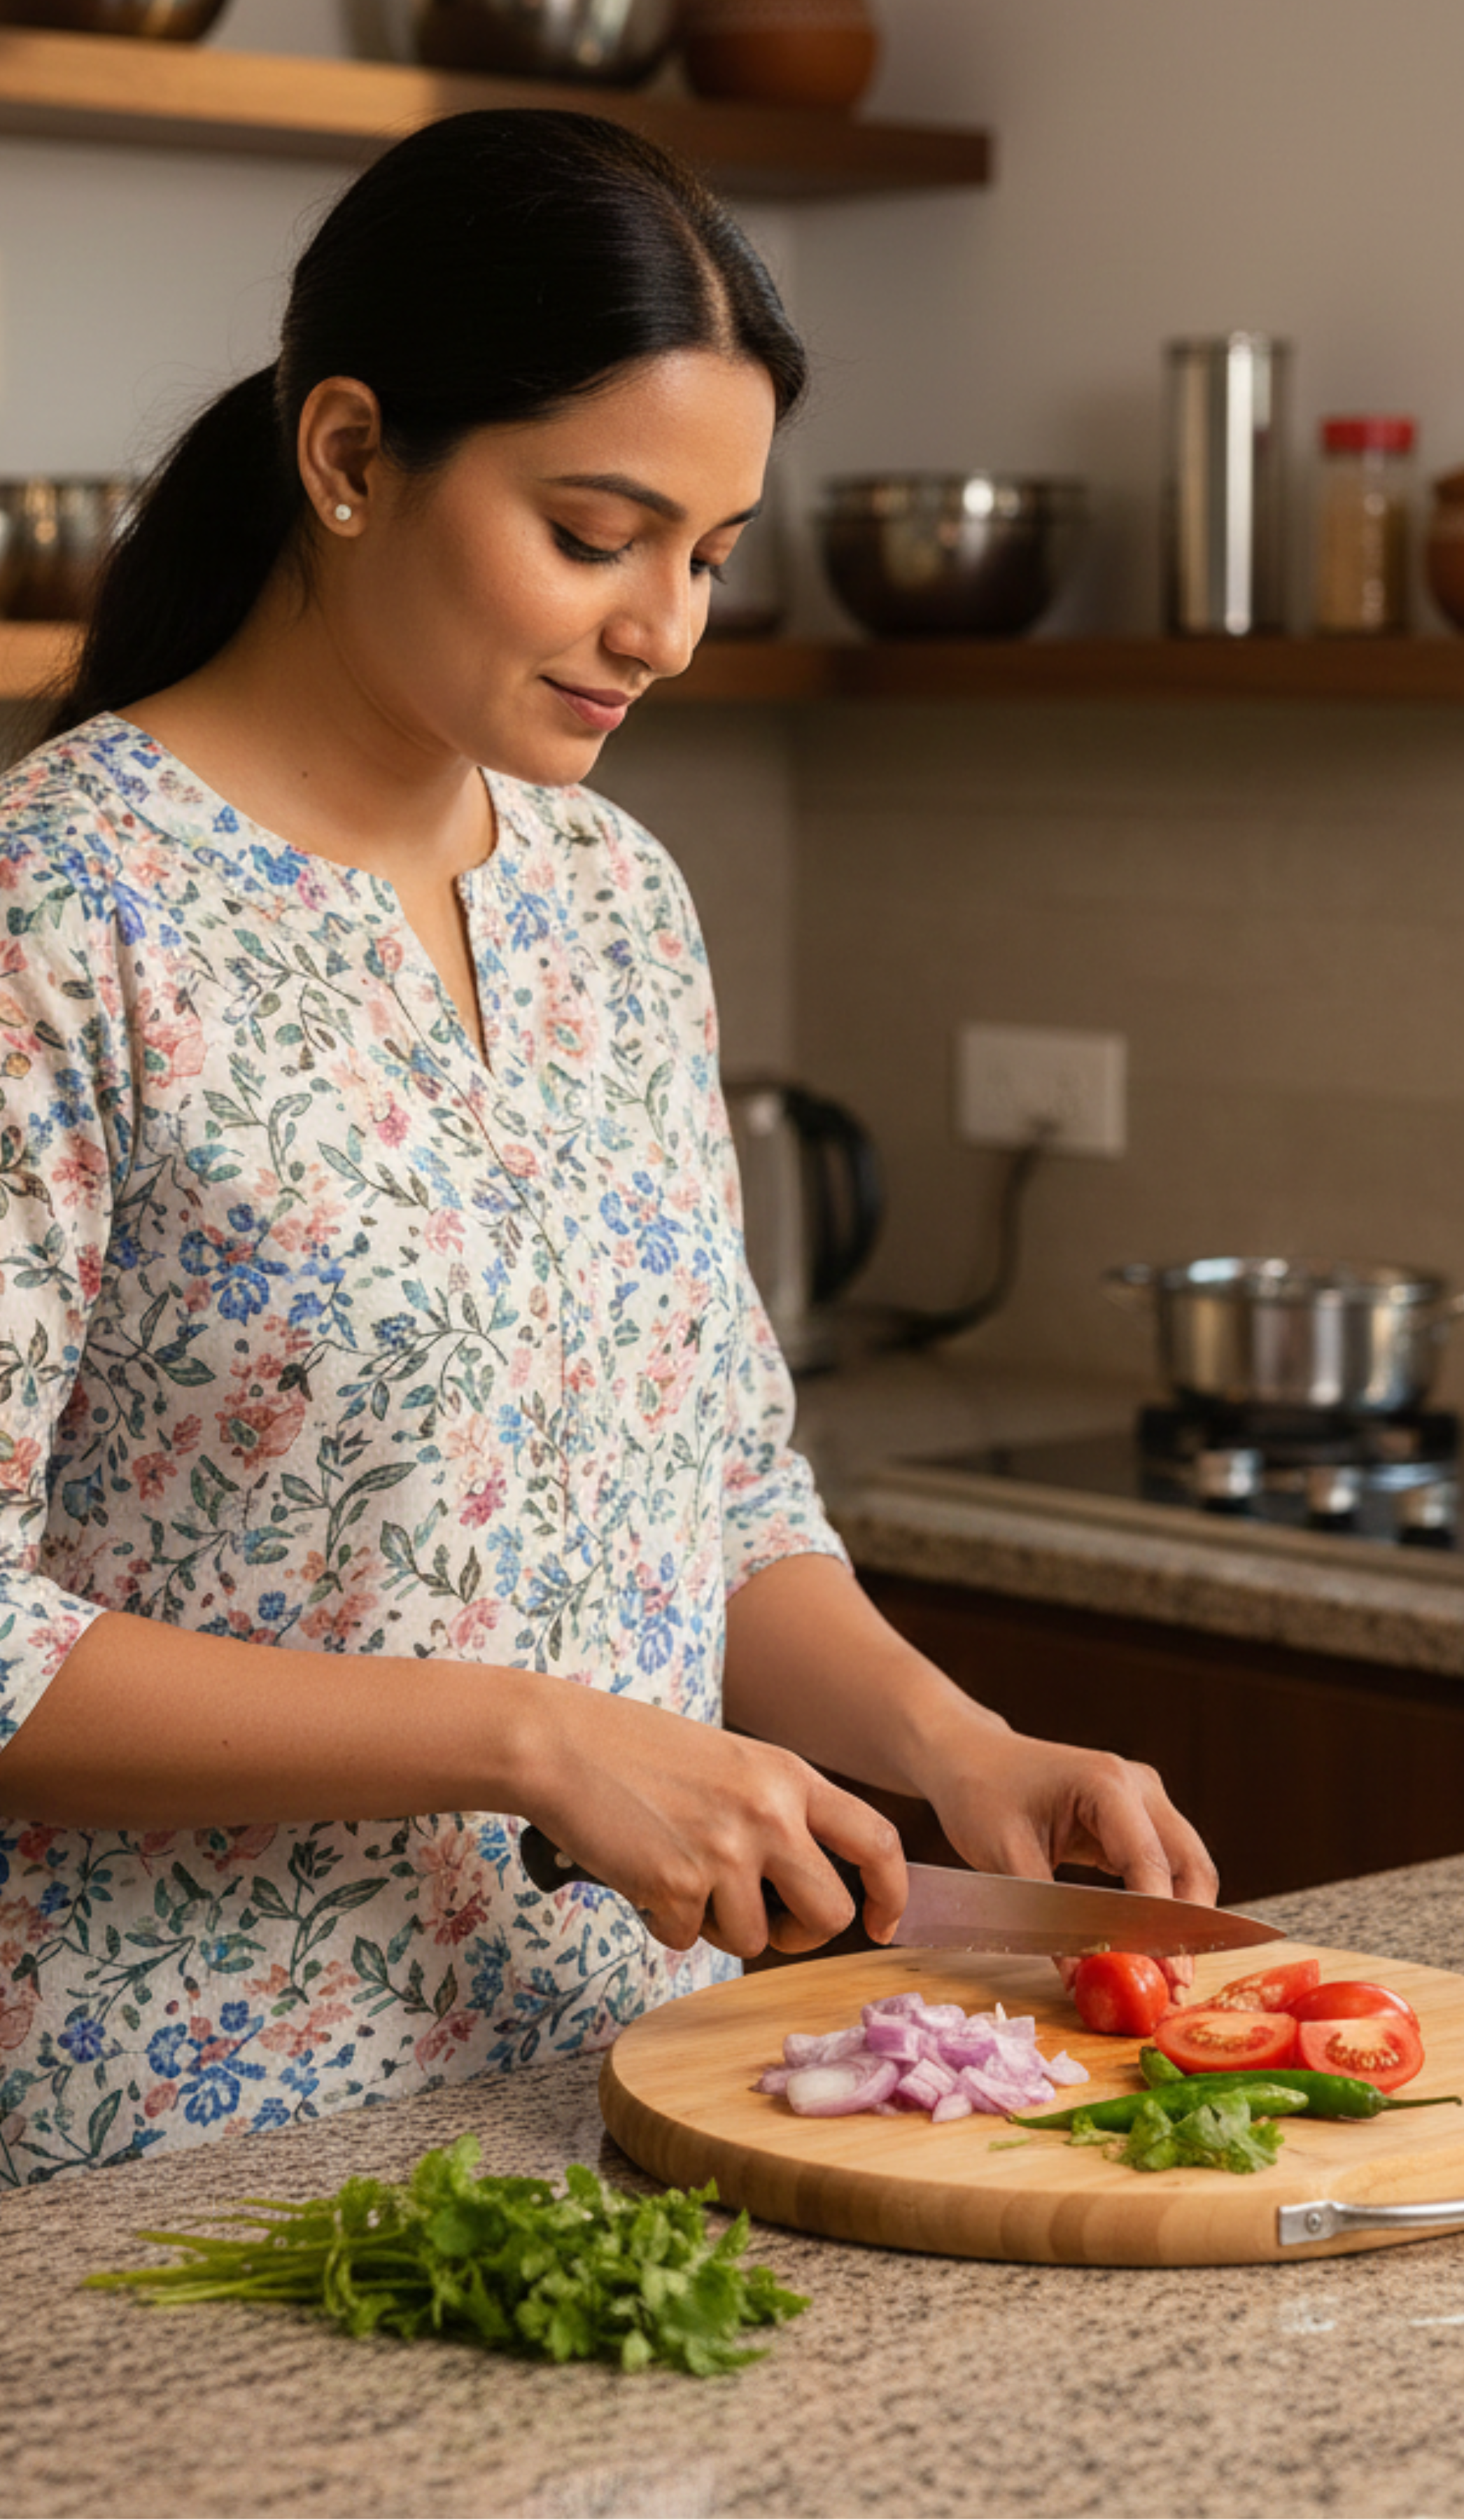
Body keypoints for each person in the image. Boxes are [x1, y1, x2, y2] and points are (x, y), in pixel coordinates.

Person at [0, 108, 1216, 2185]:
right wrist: (536, 1740)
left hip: (650, 2100)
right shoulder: (65, 911)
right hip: (181, 2154)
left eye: (712, 557)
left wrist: (958, 1750)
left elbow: (714, 1488)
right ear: (353, 458)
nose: (666, 627)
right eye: (598, 534)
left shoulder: (617, 903)